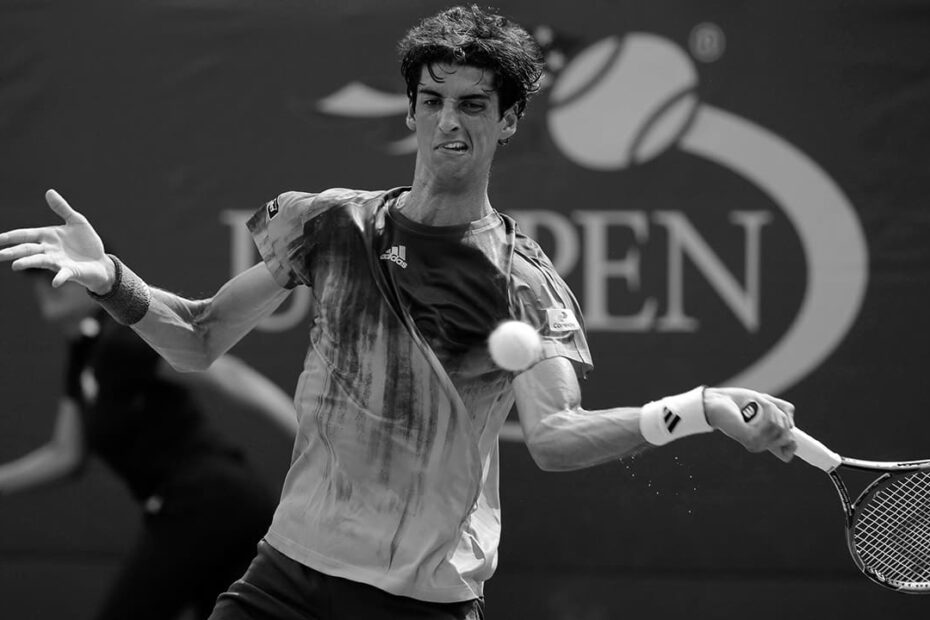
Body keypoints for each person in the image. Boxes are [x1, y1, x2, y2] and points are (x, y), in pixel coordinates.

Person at [0, 5, 798, 619]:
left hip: (415, 601)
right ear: (410, 110)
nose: (450, 121)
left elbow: (555, 439)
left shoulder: (521, 282)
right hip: (285, 573)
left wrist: (697, 409)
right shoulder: (329, 224)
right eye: (433, 99)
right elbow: (198, 338)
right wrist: (111, 280)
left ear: (508, 121)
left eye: (474, 105)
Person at [0, 269, 298, 620]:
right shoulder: (83, 354)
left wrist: (308, 433)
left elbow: (230, 376)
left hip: (209, 501)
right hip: (211, 508)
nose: (46, 285)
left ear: (93, 281)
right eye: (38, 276)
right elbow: (66, 454)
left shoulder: (122, 339)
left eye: (59, 273)